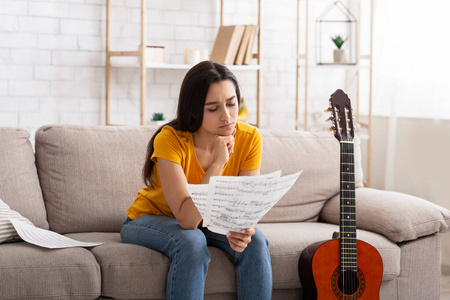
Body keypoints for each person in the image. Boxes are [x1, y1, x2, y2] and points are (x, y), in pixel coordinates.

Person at [120, 61, 272, 300]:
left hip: (209, 219)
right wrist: (218, 163)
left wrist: (240, 228)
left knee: (255, 241)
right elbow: (188, 220)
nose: (227, 116)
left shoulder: (250, 138)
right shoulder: (169, 140)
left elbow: (245, 206)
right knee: (191, 240)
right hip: (152, 218)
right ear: (194, 111)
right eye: (213, 108)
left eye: (232, 104)